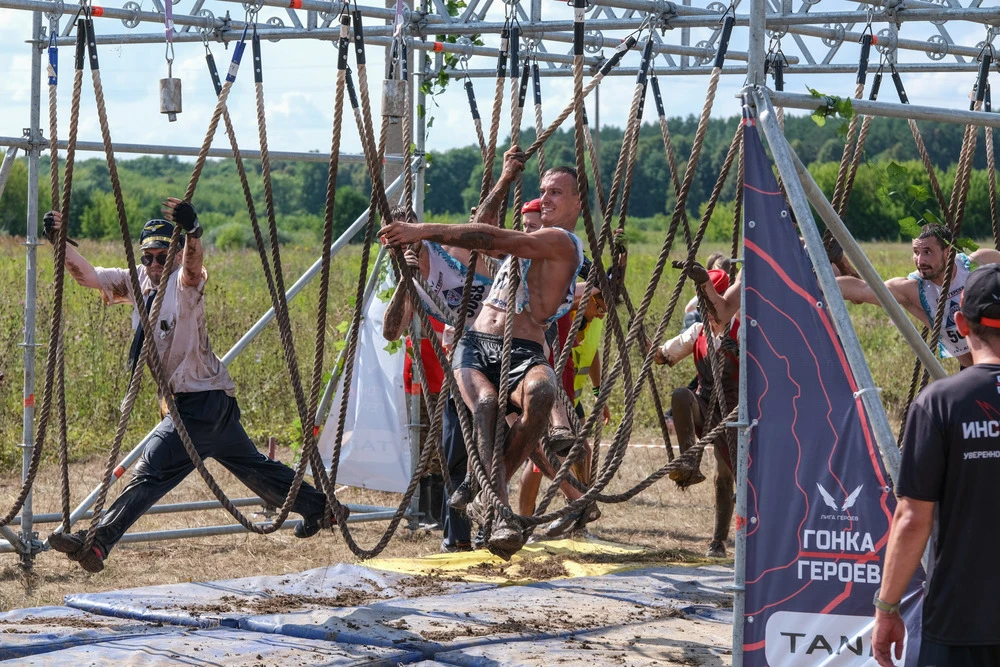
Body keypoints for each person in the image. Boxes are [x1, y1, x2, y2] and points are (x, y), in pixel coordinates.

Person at [44, 202, 333, 573]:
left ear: (176, 255)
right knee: (255, 470)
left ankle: (98, 543)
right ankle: (321, 508)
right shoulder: (138, 280)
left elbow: (194, 267)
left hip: (198, 403)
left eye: (162, 256)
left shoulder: (183, 283)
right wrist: (58, 242)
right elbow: (88, 276)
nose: (154, 264)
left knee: (150, 473)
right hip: (212, 403)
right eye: (147, 256)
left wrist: (193, 232)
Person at [379, 147, 584, 559]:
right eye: (543, 191)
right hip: (473, 349)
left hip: (518, 348)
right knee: (477, 421)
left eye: (556, 193)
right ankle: (484, 520)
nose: (545, 199)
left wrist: (422, 231)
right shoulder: (422, 276)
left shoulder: (549, 242)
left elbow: (487, 235)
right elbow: (484, 227)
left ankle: (501, 496)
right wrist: (506, 177)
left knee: (536, 400)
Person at [872, 263, 1000, 666]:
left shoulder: (940, 403)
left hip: (960, 621)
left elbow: (913, 519)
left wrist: (887, 608)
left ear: (961, 324)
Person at [381, 204, 494, 553]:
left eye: (407, 234)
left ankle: (492, 525)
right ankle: (458, 537)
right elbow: (391, 331)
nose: (403, 244)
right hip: (458, 369)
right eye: (394, 240)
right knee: (454, 453)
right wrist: (407, 280)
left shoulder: (450, 250)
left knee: (493, 451)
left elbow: (484, 234)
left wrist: (501, 184)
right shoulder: (411, 280)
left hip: (497, 354)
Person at [651, 267, 738, 559]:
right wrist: (649, 346)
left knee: (726, 476)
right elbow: (664, 355)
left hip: (736, 415)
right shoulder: (698, 332)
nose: (708, 313)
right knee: (680, 395)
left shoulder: (744, 329)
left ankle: (719, 541)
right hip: (706, 408)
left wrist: (740, 352)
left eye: (712, 306)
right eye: (704, 306)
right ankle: (688, 461)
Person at [837, 223, 1000, 368]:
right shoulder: (912, 289)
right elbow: (864, 290)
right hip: (975, 370)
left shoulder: (978, 263)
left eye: (927, 252)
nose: (920, 260)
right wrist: (823, 281)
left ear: (948, 252)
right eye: (916, 252)